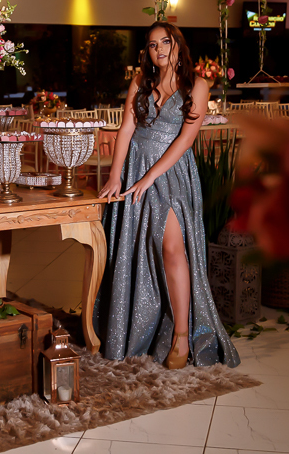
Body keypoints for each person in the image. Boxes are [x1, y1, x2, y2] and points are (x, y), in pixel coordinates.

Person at [94, 21, 240, 369]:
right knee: (133, 248)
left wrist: (149, 178)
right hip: (135, 168)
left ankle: (181, 336)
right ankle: (133, 325)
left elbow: (185, 141)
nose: (158, 49)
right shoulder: (140, 83)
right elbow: (127, 128)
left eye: (165, 42)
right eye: (151, 44)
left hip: (172, 174)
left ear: (178, 45)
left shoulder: (198, 86)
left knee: (173, 248)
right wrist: (116, 174)